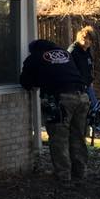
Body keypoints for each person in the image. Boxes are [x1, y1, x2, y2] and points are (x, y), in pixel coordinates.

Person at [19, 39, 90, 185]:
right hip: (82, 97)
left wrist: (38, 82)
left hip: (61, 99)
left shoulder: (35, 57)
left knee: (59, 137)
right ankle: (80, 172)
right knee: (78, 135)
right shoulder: (65, 53)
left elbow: (26, 82)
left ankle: (63, 175)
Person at [68, 25, 100, 136]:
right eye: (85, 39)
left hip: (87, 84)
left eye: (89, 40)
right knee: (82, 109)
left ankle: (97, 130)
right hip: (76, 86)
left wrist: (90, 81)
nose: (87, 41)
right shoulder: (73, 51)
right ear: (80, 38)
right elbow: (69, 69)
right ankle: (84, 131)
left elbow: (88, 69)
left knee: (95, 107)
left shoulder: (87, 51)